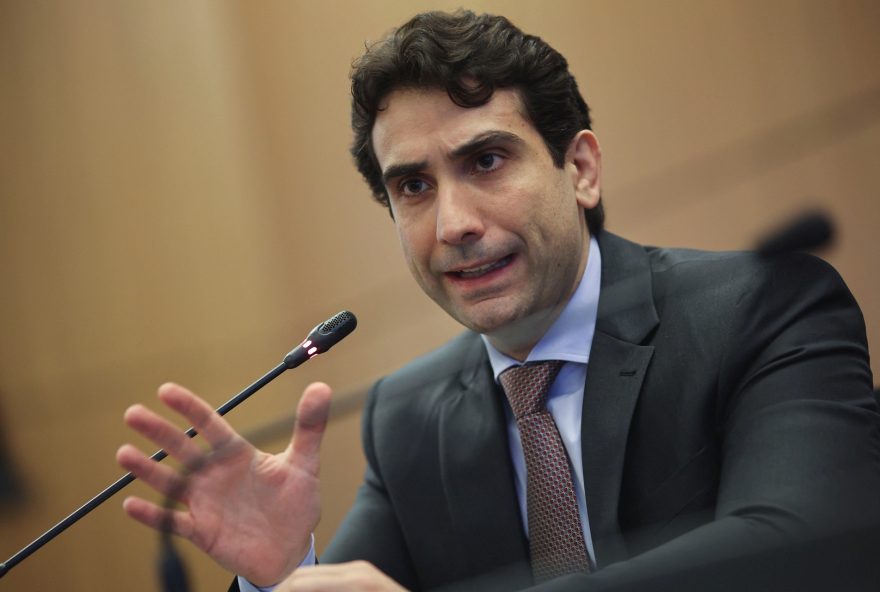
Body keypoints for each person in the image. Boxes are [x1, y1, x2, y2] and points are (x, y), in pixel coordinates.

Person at [117, 10, 880, 592]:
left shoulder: (761, 309)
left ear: (579, 168)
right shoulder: (410, 419)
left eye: (485, 160)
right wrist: (286, 569)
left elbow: (807, 545)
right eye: (413, 187)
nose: (453, 225)